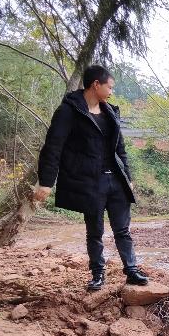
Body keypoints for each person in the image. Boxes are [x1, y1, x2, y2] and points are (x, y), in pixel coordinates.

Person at [34, 65, 149, 291]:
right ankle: (98, 274)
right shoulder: (69, 111)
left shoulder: (110, 112)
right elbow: (53, 147)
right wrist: (46, 182)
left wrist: (127, 175)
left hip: (116, 181)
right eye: (110, 87)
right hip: (89, 182)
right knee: (94, 231)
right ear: (96, 84)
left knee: (123, 230)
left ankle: (131, 270)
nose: (112, 92)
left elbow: (120, 148)